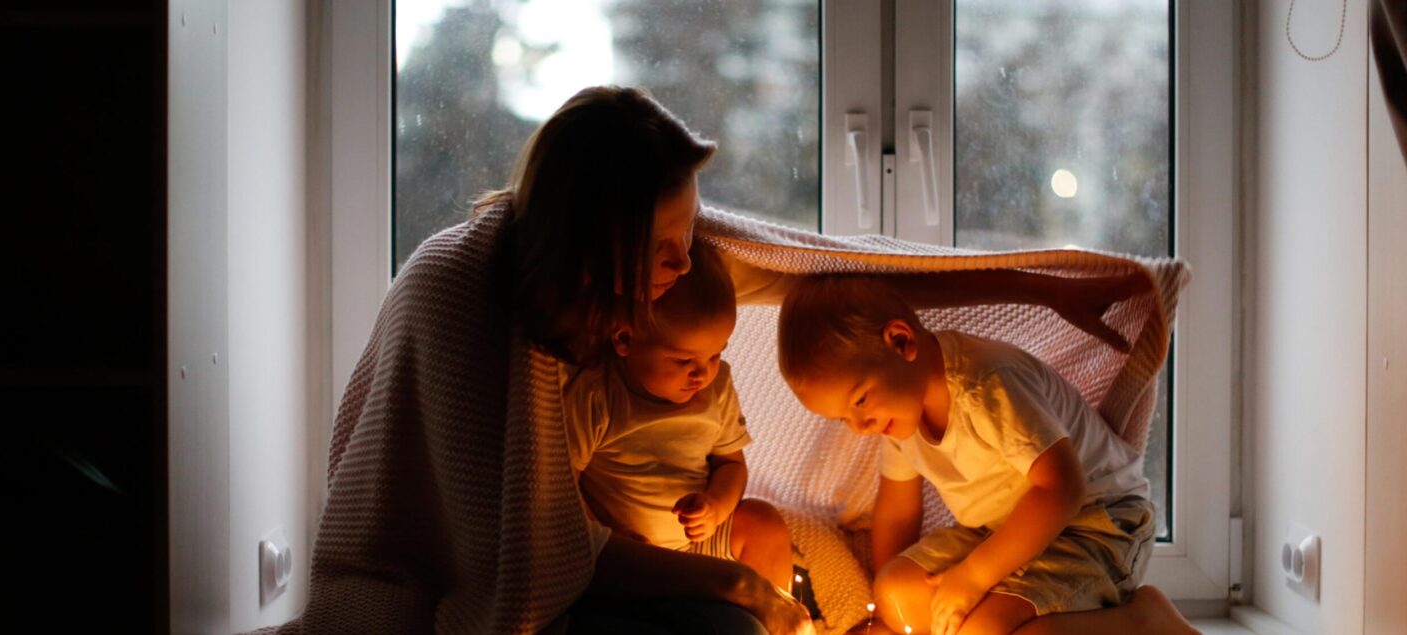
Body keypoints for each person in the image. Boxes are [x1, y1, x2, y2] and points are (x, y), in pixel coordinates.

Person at [281, 85, 1154, 635]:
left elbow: (869, 282)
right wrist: (741, 585)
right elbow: (538, 551)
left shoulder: (663, 276)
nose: (687, 262)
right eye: (668, 245)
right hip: (492, 574)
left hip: (646, 547)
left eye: (690, 236)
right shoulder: (463, 293)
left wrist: (1044, 291)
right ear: (603, 243)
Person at [776, 275, 1199, 635]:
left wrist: (974, 577)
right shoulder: (898, 412)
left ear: (901, 341)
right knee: (896, 591)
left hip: (1096, 522)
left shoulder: (985, 384)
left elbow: (1063, 487)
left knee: (984, 629)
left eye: (860, 400)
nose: (859, 426)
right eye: (843, 418)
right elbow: (897, 514)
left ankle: (1143, 622)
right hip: (1001, 529)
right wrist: (885, 611)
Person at [562, 243, 793, 592]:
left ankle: (778, 619)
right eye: (683, 361)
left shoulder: (716, 388)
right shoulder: (600, 393)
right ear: (626, 340)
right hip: (631, 552)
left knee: (764, 523)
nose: (702, 374)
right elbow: (563, 483)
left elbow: (731, 465)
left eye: (715, 355)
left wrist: (715, 507)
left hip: (701, 543)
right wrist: (603, 537)